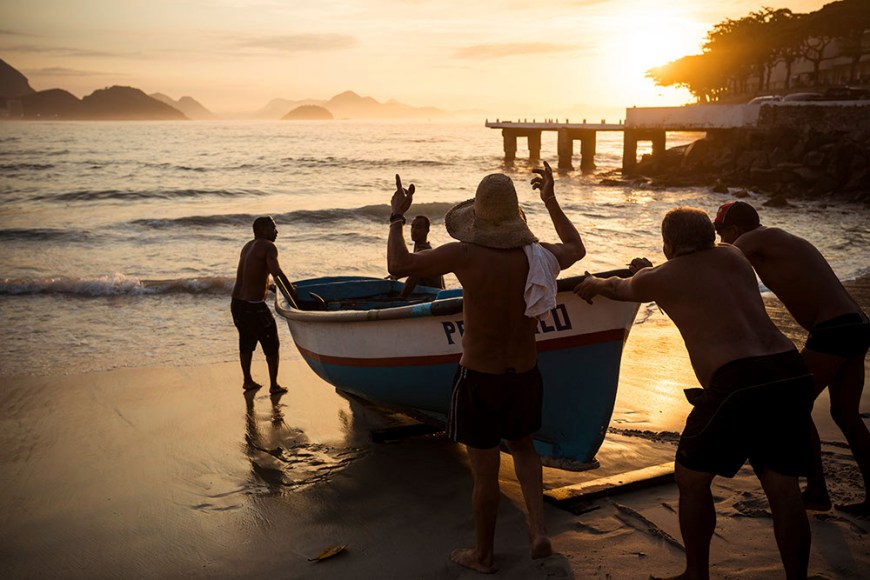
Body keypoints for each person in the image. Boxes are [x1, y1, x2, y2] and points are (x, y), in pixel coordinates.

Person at [575, 207, 813, 580]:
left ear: (669, 244)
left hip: (738, 383)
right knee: (783, 489)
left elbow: (622, 288)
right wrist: (651, 271)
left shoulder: (664, 276)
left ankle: (696, 572)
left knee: (691, 479)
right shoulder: (733, 256)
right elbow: (688, 280)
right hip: (788, 370)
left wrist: (594, 282)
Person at [387, 161, 585, 573]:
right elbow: (577, 248)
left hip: (480, 377)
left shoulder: (465, 254)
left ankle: (485, 555)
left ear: (477, 217)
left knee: (485, 474)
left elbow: (399, 266)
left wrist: (397, 216)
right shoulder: (539, 255)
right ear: (516, 217)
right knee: (525, 449)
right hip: (525, 374)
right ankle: (538, 531)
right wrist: (550, 199)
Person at [714, 200, 870, 515]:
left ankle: (816, 492)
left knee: (793, 405)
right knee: (844, 415)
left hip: (835, 330)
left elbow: (719, 261)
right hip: (854, 325)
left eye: (722, 233)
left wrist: (663, 270)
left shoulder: (759, 237)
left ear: (735, 229)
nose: (722, 240)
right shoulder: (774, 241)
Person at [231, 216, 298, 394]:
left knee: (246, 340)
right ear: (262, 230)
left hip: (237, 304)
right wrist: (291, 290)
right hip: (254, 306)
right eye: (273, 228)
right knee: (271, 343)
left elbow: (252, 276)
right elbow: (276, 272)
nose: (276, 231)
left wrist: (270, 288)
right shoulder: (269, 246)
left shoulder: (247, 246)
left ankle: (247, 380)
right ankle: (274, 385)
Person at [399, 215, 445, 298]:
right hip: (432, 293)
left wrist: (401, 298)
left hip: (432, 296)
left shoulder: (424, 251)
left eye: (418, 227)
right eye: (412, 227)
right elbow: (414, 270)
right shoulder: (422, 249)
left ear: (427, 230)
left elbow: (413, 279)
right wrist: (399, 274)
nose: (414, 230)